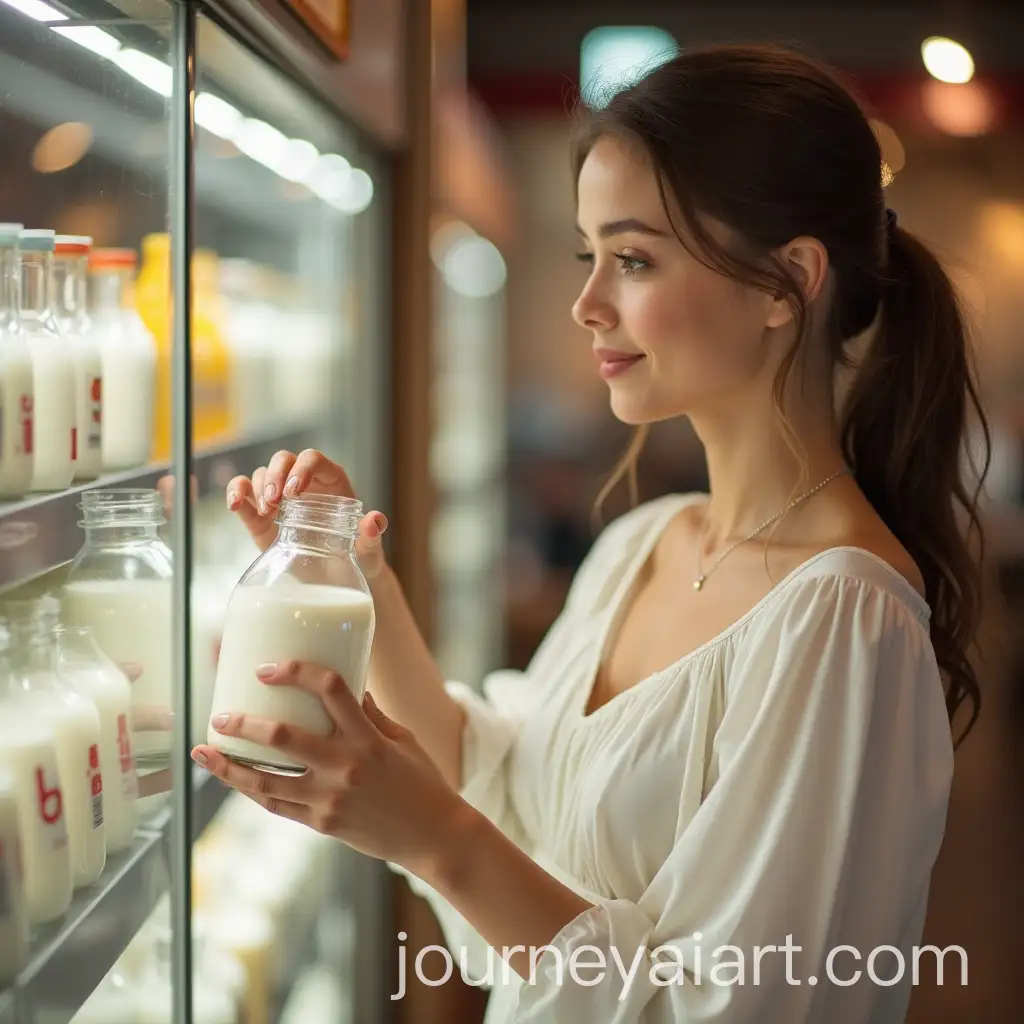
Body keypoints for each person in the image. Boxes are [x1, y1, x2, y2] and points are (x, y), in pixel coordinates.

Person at [190, 44, 990, 1023]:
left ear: (788, 282)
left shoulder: (844, 623)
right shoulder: (641, 544)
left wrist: (433, 835)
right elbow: (508, 785)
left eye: (634, 258)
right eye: (587, 255)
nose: (585, 303)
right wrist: (359, 573)